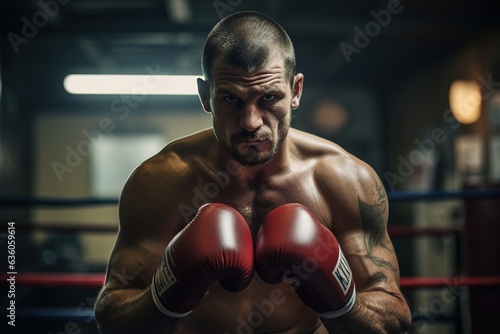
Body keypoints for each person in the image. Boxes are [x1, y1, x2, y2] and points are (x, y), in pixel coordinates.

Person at [94, 11, 412, 334]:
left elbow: (393, 320)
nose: (250, 121)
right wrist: (166, 294)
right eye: (231, 99)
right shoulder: (161, 182)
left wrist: (338, 299)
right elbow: (112, 318)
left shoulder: (345, 181)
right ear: (206, 96)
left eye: (269, 98)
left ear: (296, 91)